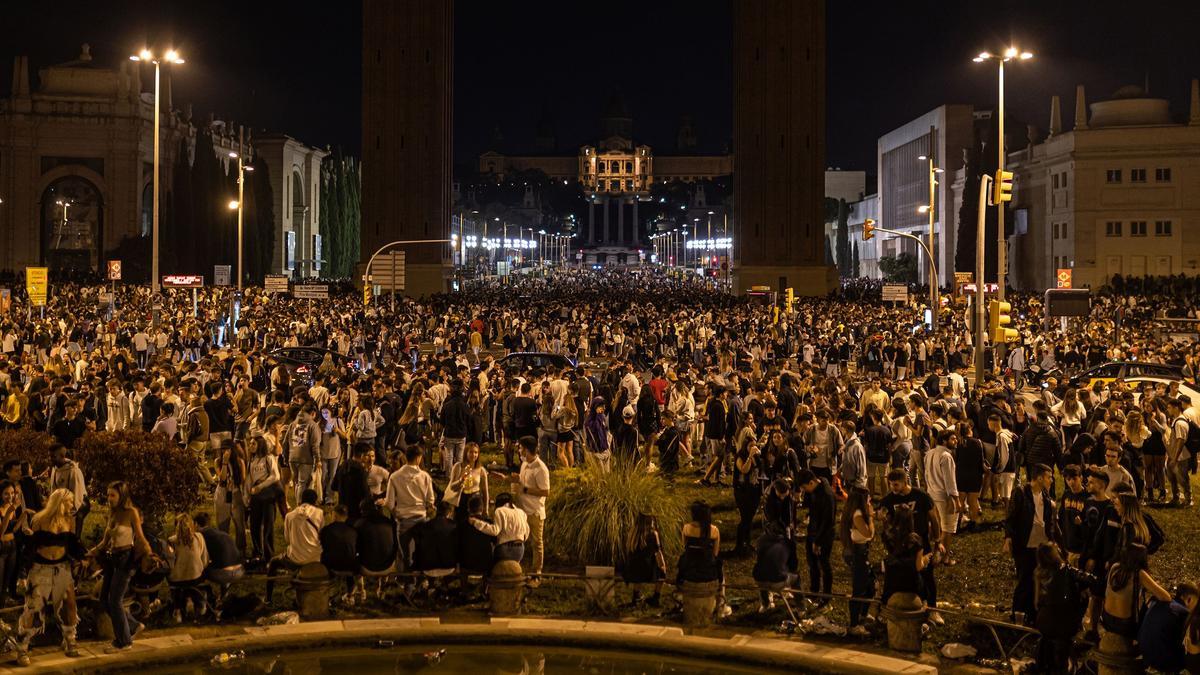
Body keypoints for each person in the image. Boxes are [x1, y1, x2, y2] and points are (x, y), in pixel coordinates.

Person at [14, 488, 85, 666]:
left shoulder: (70, 520)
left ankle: (70, 638)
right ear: (60, 502)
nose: (72, 505)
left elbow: (73, 544)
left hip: (62, 567)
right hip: (40, 569)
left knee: (70, 602)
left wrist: (84, 557)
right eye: (69, 501)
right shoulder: (40, 519)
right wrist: (23, 572)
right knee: (33, 607)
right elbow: (30, 547)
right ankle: (22, 647)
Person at [88, 481, 156, 653]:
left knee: (115, 600)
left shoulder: (131, 513)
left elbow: (140, 537)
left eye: (113, 495)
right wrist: (90, 553)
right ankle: (133, 626)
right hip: (112, 559)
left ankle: (123, 641)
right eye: (108, 494)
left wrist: (149, 553)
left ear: (122, 495)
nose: (109, 498)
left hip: (125, 560)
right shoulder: (112, 513)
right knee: (104, 600)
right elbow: (105, 542)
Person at [878, 468, 944, 625]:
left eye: (895, 484)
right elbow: (885, 521)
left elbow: (934, 518)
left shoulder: (920, 496)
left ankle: (932, 609)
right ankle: (900, 608)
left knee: (928, 575)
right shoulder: (889, 499)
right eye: (890, 484)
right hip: (900, 546)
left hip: (921, 543)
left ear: (904, 482)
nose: (893, 488)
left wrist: (937, 540)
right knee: (900, 577)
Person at [1005, 463, 1059, 626]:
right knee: (1024, 580)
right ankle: (1018, 615)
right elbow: (1011, 517)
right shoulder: (1021, 493)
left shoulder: (1046, 498)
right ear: (1040, 477)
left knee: (1038, 581)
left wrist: (1054, 543)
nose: (1052, 480)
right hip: (1024, 544)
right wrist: (1008, 538)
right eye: (1049, 477)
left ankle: (1033, 614)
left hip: (1040, 546)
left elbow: (1048, 523)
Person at [1032, 542, 1094, 673]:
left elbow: (1036, 602)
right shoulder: (1066, 570)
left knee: (1052, 637)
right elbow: (1091, 579)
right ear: (1054, 555)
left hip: (1043, 621)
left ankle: (1048, 664)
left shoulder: (1038, 573)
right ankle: (1062, 667)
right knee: (1061, 642)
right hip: (1063, 624)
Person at [265, 488, 324, 606]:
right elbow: (321, 535)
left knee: (273, 563)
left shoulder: (289, 516)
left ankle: (268, 598)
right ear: (315, 501)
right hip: (315, 559)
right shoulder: (319, 513)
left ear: (301, 500)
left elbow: (287, 539)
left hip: (295, 560)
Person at [382, 445, 435, 571]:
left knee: (406, 555)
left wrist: (396, 515)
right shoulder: (425, 476)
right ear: (419, 458)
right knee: (421, 552)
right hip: (421, 518)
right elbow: (430, 500)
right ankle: (421, 581)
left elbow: (389, 503)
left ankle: (408, 584)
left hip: (403, 520)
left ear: (406, 457)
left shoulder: (395, 477)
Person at [676, 501, 730, 619]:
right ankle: (721, 607)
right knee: (720, 570)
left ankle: (681, 598)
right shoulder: (714, 531)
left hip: (690, 572)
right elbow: (715, 554)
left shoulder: (686, 528)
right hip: (708, 574)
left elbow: (685, 549)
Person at [1138, 581, 1198, 674]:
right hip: (1163, 663)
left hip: (1145, 655)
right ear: (1189, 599)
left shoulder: (1160, 603)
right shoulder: (1183, 614)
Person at [513, 436, 550, 582]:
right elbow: (523, 481)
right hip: (521, 510)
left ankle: (536, 573)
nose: (519, 450)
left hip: (534, 511)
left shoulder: (540, 468)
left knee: (536, 542)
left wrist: (526, 490)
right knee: (519, 538)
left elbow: (545, 491)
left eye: (521, 448)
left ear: (527, 450)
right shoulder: (524, 463)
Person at [840, 487, 875, 636]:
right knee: (859, 589)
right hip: (857, 554)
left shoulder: (855, 512)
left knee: (871, 586)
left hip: (861, 552)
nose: (870, 500)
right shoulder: (858, 515)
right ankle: (854, 624)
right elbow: (869, 533)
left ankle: (863, 615)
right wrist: (871, 516)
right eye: (868, 497)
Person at [798, 468, 836, 604]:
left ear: (812, 482)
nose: (804, 490)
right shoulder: (815, 490)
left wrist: (818, 541)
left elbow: (828, 521)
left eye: (804, 487)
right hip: (813, 532)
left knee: (824, 564)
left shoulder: (826, 495)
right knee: (812, 563)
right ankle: (814, 593)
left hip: (824, 535)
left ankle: (826, 596)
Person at [923, 429, 960, 564]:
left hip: (932, 493)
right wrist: (955, 499)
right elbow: (950, 480)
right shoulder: (946, 456)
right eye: (953, 439)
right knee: (947, 528)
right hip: (944, 496)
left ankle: (932, 553)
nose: (956, 441)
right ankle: (944, 557)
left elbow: (926, 475)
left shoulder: (929, 453)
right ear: (944, 441)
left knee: (936, 525)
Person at [166, 513, 209, 623]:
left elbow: (170, 563)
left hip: (177, 580)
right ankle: (200, 604)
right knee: (196, 579)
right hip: (195, 577)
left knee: (175, 583)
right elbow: (204, 560)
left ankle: (177, 610)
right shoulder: (199, 537)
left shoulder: (171, 541)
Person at [246, 436, 282, 563]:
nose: (250, 446)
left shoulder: (268, 458)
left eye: (253, 444)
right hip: (255, 496)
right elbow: (249, 479)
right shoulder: (251, 460)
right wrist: (248, 495)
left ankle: (269, 556)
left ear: (260, 445)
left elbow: (275, 476)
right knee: (254, 525)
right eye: (250, 444)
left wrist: (261, 486)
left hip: (268, 495)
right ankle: (257, 553)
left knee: (268, 526)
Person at [623, 514, 666, 607]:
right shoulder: (653, 534)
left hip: (630, 570)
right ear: (650, 521)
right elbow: (658, 551)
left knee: (638, 564)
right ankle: (656, 598)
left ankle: (636, 596)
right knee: (662, 574)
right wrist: (663, 566)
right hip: (646, 571)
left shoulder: (632, 533)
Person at [319, 504, 359, 596]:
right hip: (351, 566)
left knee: (325, 555)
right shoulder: (353, 530)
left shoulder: (327, 530)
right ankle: (350, 589)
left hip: (332, 564)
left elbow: (322, 546)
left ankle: (329, 588)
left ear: (335, 515)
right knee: (348, 556)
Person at [732, 441, 762, 555]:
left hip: (755, 490)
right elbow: (744, 470)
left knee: (750, 518)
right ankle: (740, 544)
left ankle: (747, 542)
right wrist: (750, 456)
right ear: (746, 447)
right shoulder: (741, 456)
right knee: (745, 517)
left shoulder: (757, 457)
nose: (753, 447)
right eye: (750, 445)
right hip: (743, 490)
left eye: (755, 445)